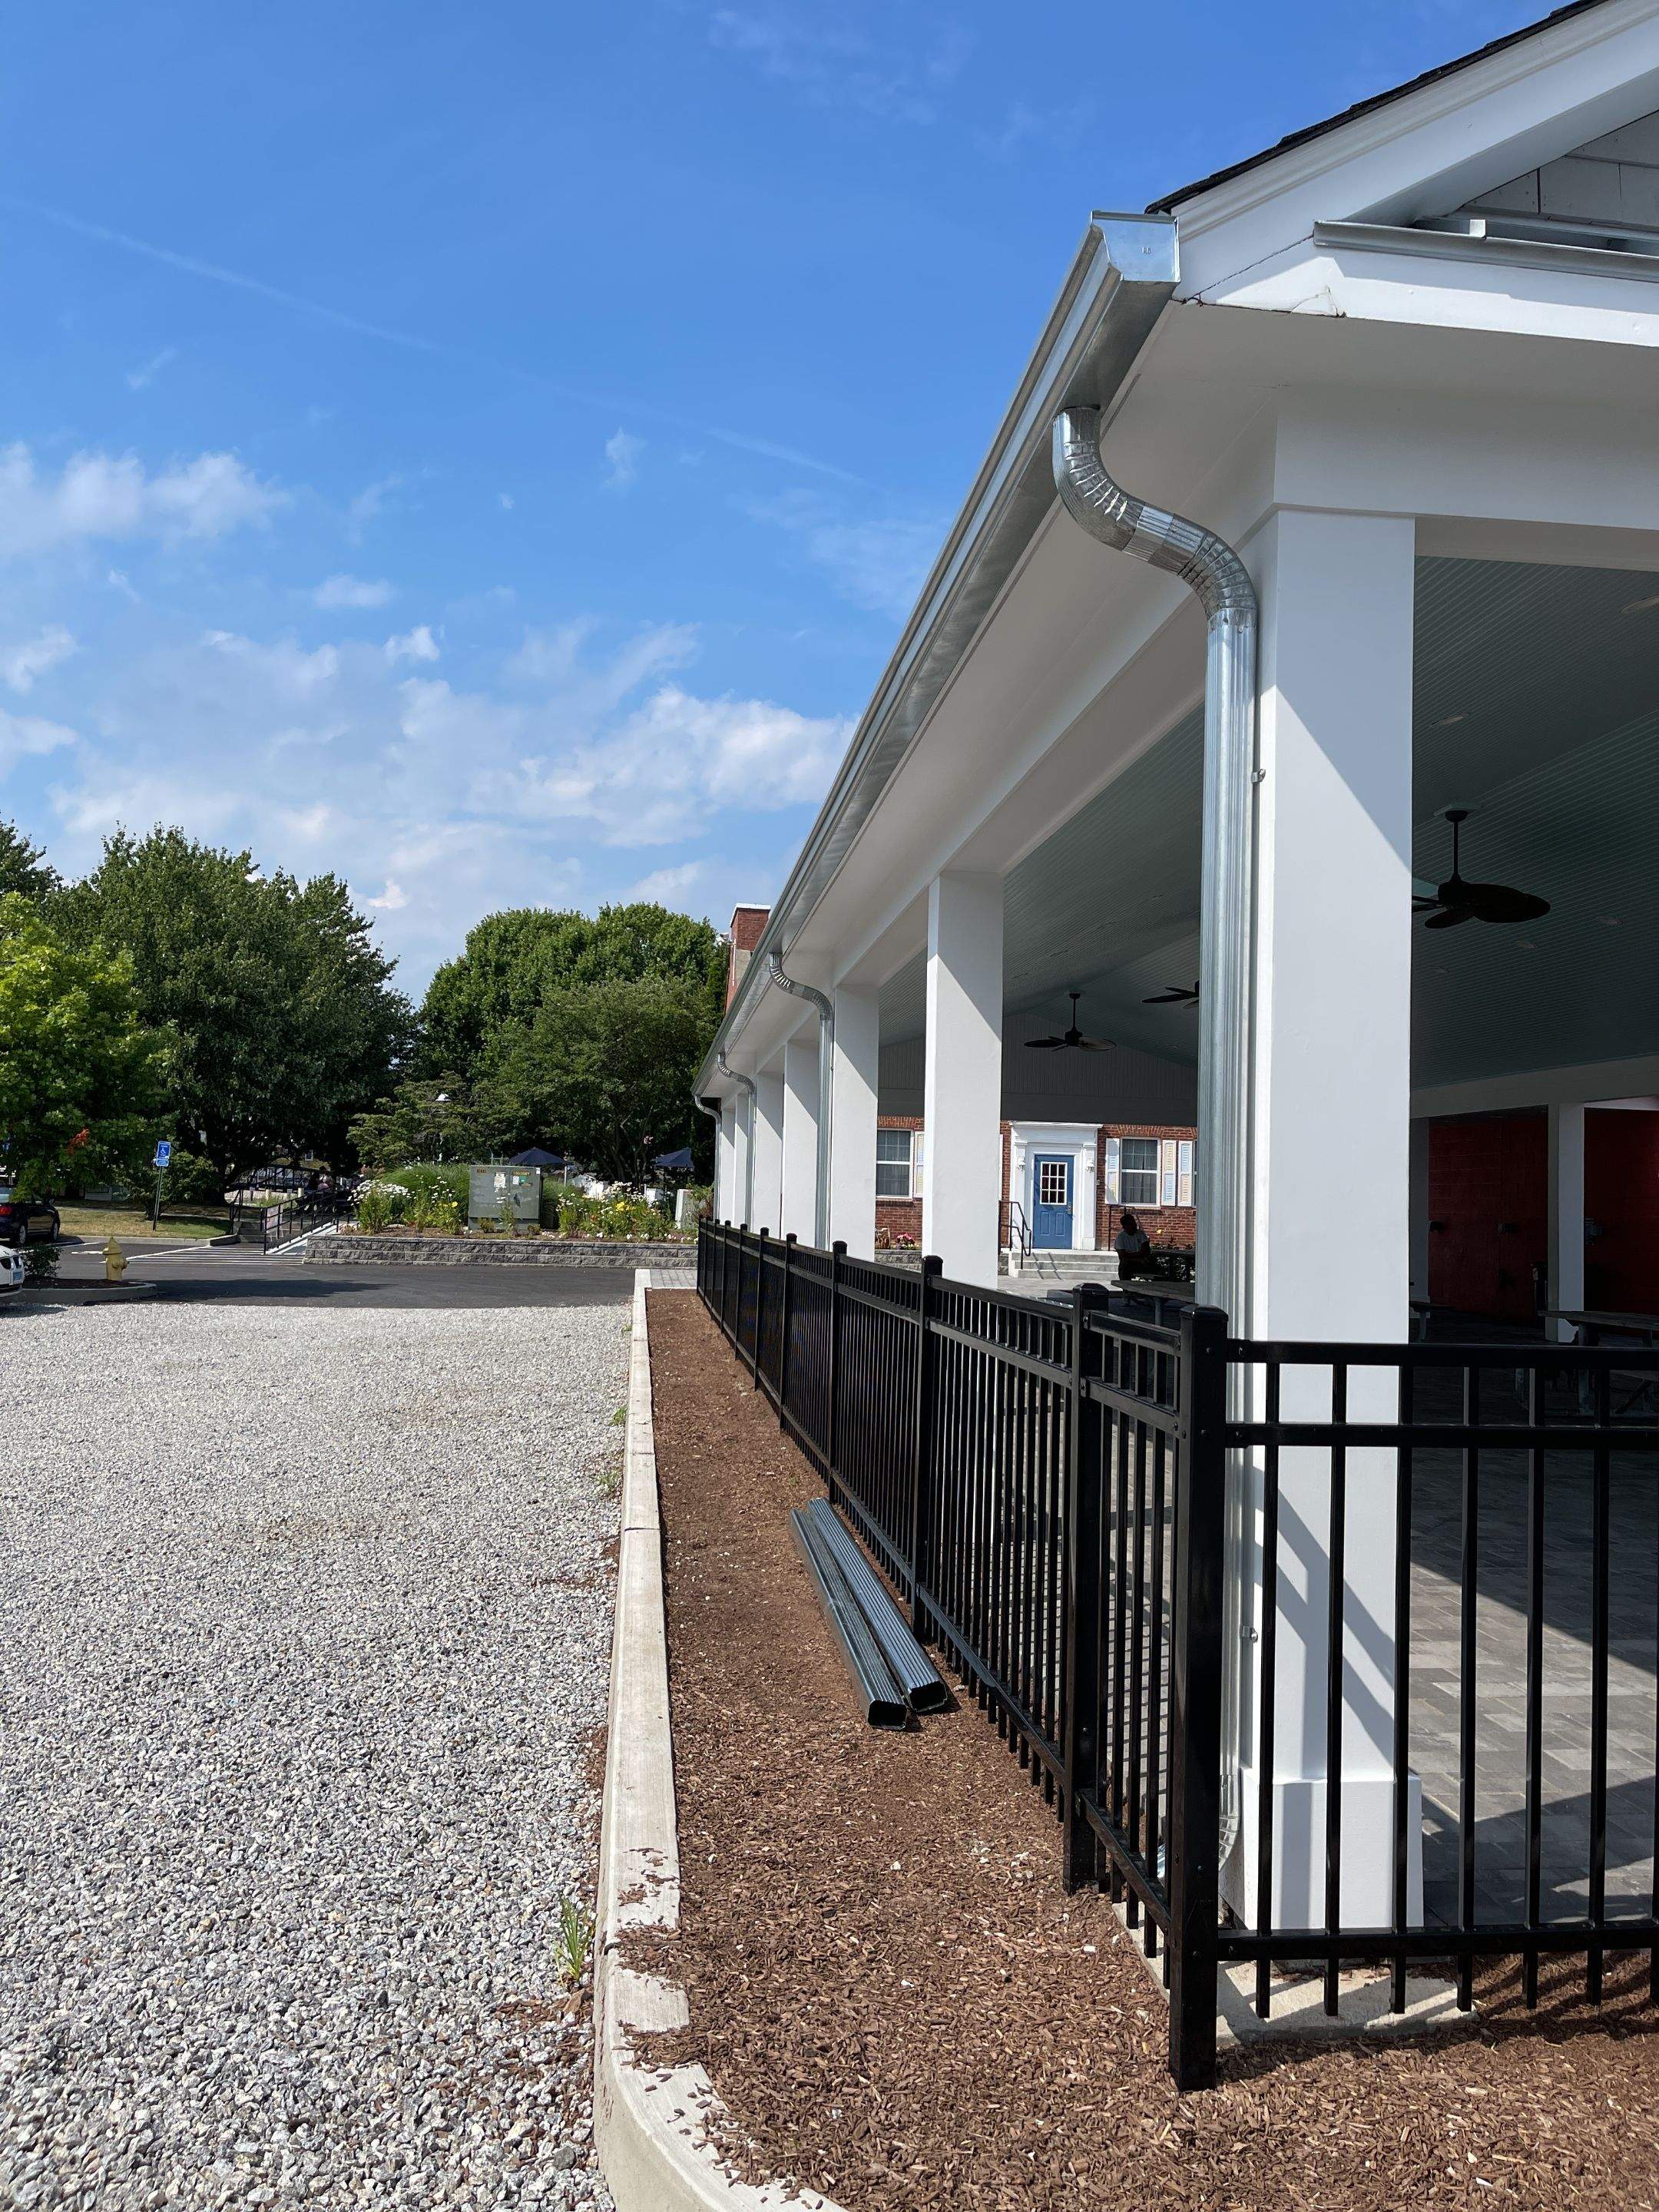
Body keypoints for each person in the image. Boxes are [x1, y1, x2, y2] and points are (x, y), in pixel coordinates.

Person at [1114, 1209, 1151, 1280]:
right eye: (1131, 1224)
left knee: (1154, 1264)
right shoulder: (1120, 1238)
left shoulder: (1141, 1234)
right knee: (1124, 1266)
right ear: (1125, 1226)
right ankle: (1126, 1288)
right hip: (1129, 1263)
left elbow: (1146, 1250)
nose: (1134, 1225)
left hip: (1141, 1262)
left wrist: (1131, 1255)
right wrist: (1138, 1255)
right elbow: (1122, 1256)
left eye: (1134, 1222)